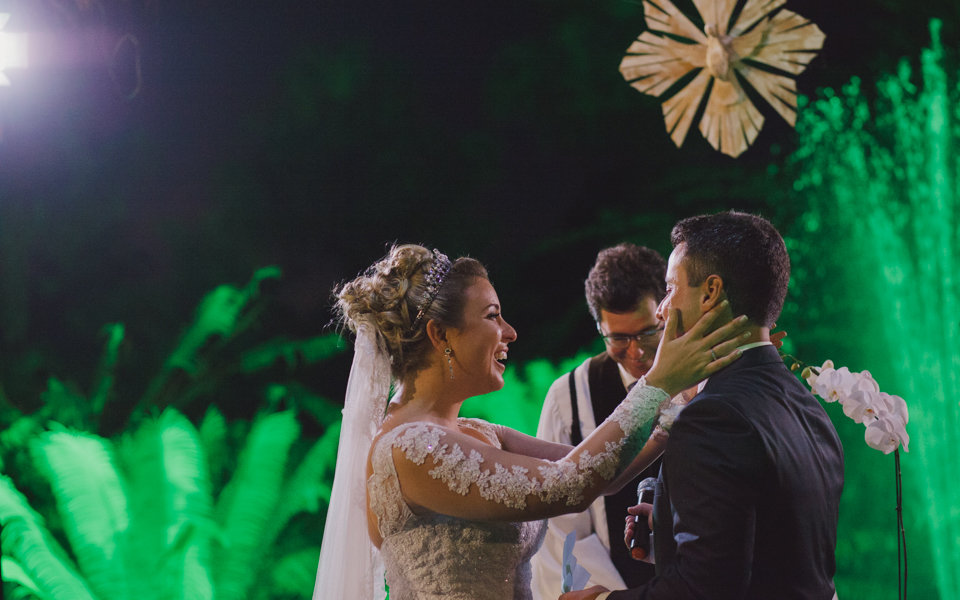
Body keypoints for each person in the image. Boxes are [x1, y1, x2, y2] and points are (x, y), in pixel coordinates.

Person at [312, 244, 753, 600]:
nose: (510, 331)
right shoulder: (409, 448)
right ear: (440, 335)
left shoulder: (478, 433)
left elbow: (603, 476)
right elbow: (569, 485)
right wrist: (657, 382)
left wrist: (676, 408)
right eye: (492, 315)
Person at [561, 212, 845, 600]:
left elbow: (703, 591)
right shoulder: (808, 407)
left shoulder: (713, 417)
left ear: (710, 292)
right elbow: (783, 555)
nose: (662, 310)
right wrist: (670, 532)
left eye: (670, 287)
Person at [531, 244, 671, 598]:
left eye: (647, 332)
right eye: (619, 338)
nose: (636, 351)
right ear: (599, 327)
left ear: (666, 312)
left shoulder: (703, 377)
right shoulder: (570, 397)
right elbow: (562, 532)